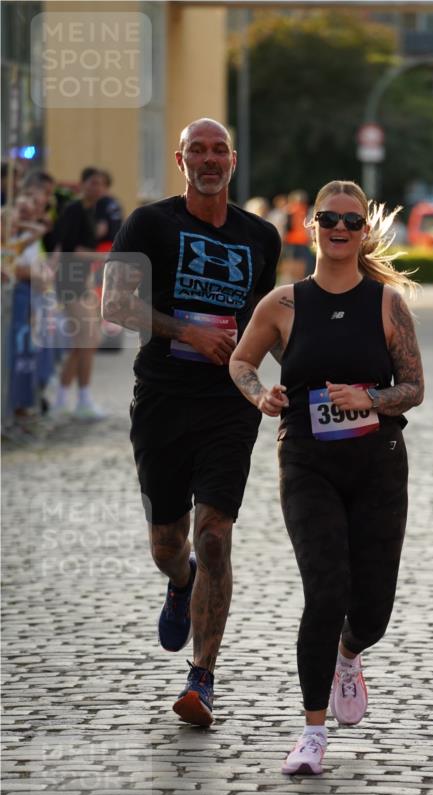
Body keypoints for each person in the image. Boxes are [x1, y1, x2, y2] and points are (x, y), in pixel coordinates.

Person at [229, 179, 425, 775]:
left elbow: (414, 388)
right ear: (310, 226)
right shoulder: (283, 305)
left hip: (378, 466)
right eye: (328, 218)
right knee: (325, 591)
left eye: (351, 220)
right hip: (307, 462)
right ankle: (311, 735)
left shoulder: (388, 304)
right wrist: (262, 393)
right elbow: (242, 360)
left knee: (372, 611)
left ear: (363, 231)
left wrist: (369, 397)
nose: (339, 229)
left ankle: (349, 653)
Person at [102, 118, 281, 728]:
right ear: (182, 160)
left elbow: (266, 322)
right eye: (198, 150)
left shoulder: (261, 236)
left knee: (215, 533)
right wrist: (187, 331)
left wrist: (315, 379)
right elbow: (116, 304)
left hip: (230, 401)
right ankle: (180, 584)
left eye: (220, 150)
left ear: (234, 159)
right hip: (162, 399)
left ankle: (201, 678)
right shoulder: (148, 224)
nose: (210, 159)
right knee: (168, 544)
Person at [51, 166, 108, 419]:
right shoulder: (74, 210)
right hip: (70, 282)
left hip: (82, 282)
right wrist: (104, 256)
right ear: (83, 184)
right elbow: (70, 250)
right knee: (87, 339)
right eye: (92, 182)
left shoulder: (88, 211)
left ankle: (63, 399)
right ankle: (81, 399)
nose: (96, 187)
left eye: (101, 183)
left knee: (86, 341)